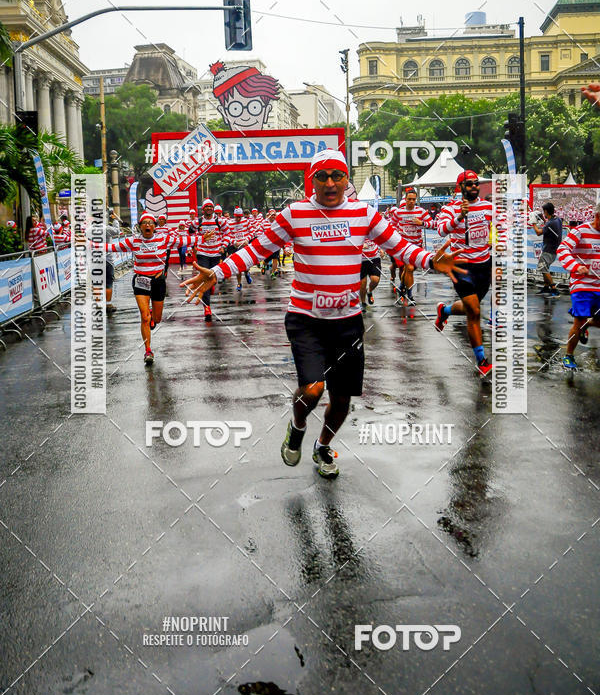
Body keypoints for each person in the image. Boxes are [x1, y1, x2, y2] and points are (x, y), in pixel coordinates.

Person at [182, 149, 464, 478]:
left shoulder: (364, 214)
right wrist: (217, 272)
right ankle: (298, 425)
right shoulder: (294, 214)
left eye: (337, 176)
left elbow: (399, 245)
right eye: (322, 176)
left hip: (348, 322)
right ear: (312, 181)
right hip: (306, 320)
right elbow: (258, 249)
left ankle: (322, 445)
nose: (330, 183)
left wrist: (430, 260)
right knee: (313, 389)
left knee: (341, 401)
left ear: (346, 179)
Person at [106, 212, 198, 365]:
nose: (148, 225)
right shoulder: (133, 240)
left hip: (158, 281)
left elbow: (183, 241)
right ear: (140, 227)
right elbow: (111, 247)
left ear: (155, 227)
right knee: (144, 317)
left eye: (150, 223)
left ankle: (152, 316)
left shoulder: (163, 238)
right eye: (144, 223)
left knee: (157, 319)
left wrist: (201, 238)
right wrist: (88, 244)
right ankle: (148, 350)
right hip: (141, 280)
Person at [434, 170, 498, 378]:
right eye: (469, 184)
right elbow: (441, 230)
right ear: (460, 187)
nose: (474, 187)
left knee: (472, 306)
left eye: (476, 183)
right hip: (461, 267)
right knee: (475, 312)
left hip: (484, 265)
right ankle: (482, 361)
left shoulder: (488, 207)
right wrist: (459, 217)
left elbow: (500, 227)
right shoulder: (450, 208)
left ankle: (445, 311)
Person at [556, 202, 600, 370]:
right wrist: (576, 266)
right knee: (579, 320)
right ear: (597, 216)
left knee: (590, 321)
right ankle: (568, 355)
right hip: (582, 284)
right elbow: (562, 249)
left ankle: (587, 324)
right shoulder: (580, 231)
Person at [388, 187, 435, 303]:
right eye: (409, 199)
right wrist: (397, 234)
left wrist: (422, 223)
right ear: (405, 199)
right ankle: (410, 295)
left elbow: (433, 224)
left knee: (410, 270)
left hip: (417, 246)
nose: (411, 202)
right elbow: (391, 225)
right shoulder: (399, 212)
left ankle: (401, 287)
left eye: (414, 199)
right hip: (404, 246)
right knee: (409, 268)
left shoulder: (421, 211)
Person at [195, 197, 229, 321]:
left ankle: (212, 284)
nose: (209, 208)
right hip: (202, 254)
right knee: (205, 280)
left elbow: (227, 234)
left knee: (213, 279)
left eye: (211, 206)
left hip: (216, 254)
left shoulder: (220, 221)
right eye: (207, 207)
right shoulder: (198, 221)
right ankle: (207, 308)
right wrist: (193, 245)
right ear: (203, 209)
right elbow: (190, 232)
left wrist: (223, 246)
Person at [532, 202, 562, 296]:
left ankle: (554, 289)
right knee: (545, 268)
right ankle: (546, 287)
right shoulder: (557, 219)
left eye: (543, 211)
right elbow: (548, 226)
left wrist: (533, 223)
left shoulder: (550, 223)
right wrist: (543, 220)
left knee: (543, 268)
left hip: (549, 249)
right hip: (554, 249)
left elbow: (538, 232)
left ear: (546, 211)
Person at [230, 207, 252, 290]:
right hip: (236, 247)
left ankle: (247, 273)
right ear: (234, 216)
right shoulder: (230, 223)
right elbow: (228, 236)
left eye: (240, 217)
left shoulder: (246, 221)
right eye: (237, 217)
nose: (238, 219)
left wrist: (247, 239)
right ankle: (239, 283)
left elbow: (252, 232)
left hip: (245, 246)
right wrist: (234, 242)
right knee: (238, 265)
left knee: (246, 264)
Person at [105, 209, 121, 315]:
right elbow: (117, 231)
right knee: (108, 283)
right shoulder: (106, 228)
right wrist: (114, 219)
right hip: (107, 260)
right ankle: (108, 304)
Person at [359, 238, 381, 308]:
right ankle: (363, 302)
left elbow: (381, 237)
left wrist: (381, 249)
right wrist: (360, 245)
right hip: (361, 260)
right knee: (363, 284)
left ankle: (369, 291)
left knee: (375, 280)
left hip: (374, 257)